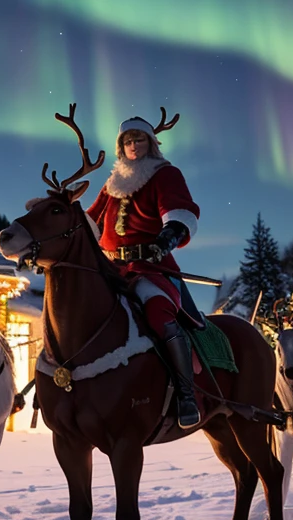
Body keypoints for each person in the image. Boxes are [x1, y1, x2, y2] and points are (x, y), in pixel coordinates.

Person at [86, 114, 201, 429]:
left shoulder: (165, 174)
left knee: (157, 313)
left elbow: (179, 211)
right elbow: (89, 224)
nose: (133, 145)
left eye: (139, 139)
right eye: (127, 140)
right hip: (111, 271)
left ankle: (186, 394)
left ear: (151, 143)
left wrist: (167, 239)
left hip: (150, 269)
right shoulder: (112, 185)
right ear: (120, 147)